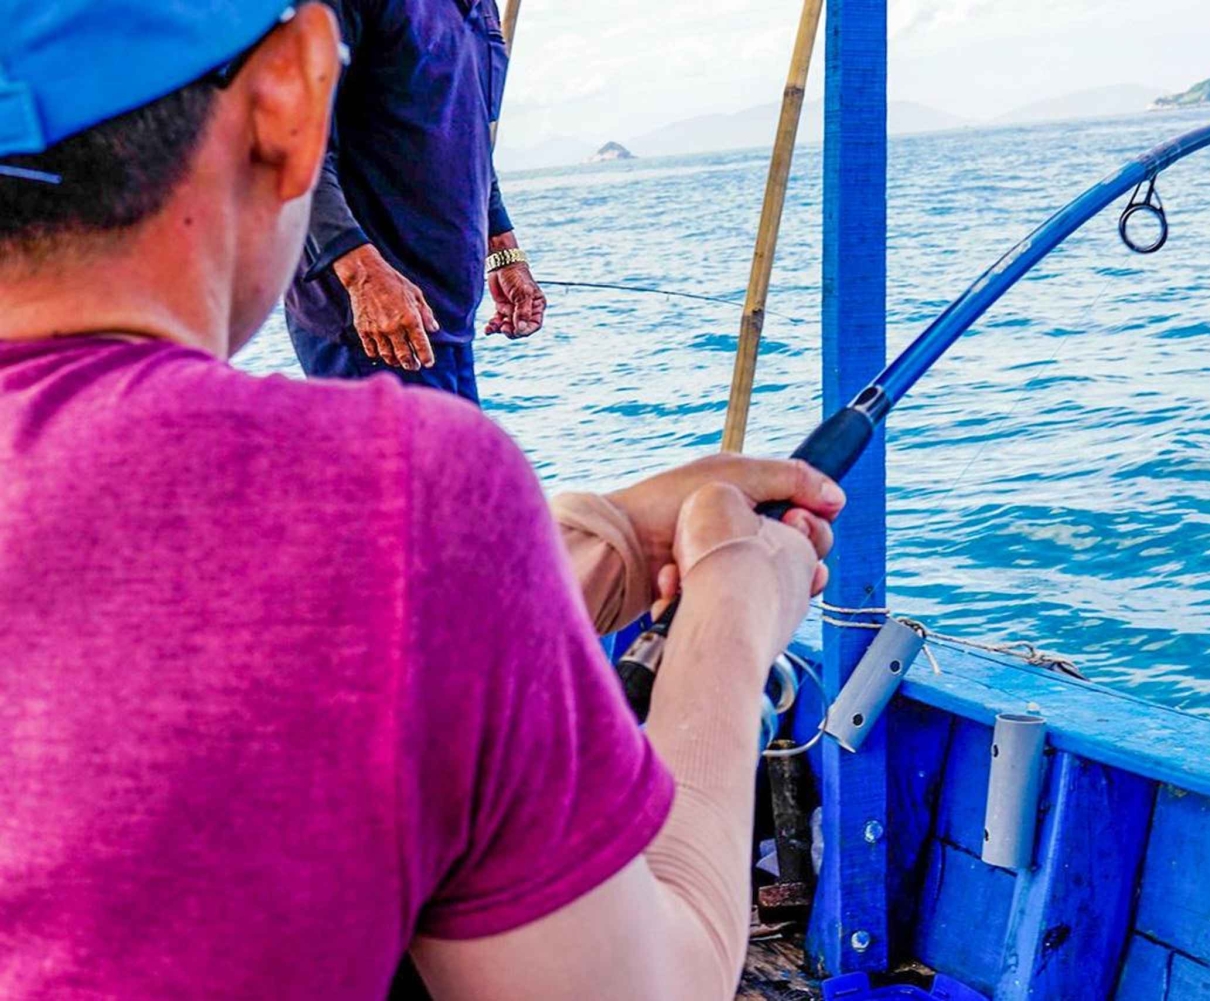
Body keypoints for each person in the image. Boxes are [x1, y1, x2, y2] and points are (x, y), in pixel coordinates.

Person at [0, 4, 843, 999]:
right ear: (295, 94)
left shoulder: (405, 526)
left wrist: (598, 532)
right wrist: (733, 616)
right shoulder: (400, 499)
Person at [284, 0, 548, 403]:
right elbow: (293, 143)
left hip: (447, 320)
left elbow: (468, 136)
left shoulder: (482, 9)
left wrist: (504, 251)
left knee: (460, 467)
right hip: (373, 330)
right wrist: (361, 275)